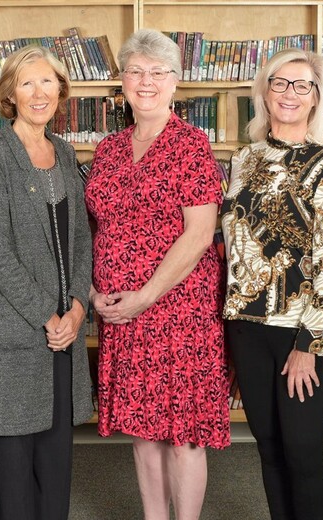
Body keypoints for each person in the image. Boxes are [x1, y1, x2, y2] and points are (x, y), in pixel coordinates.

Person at [86, 29, 229, 520]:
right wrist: (91, 290)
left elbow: (199, 233)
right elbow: (93, 228)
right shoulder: (108, 149)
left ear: (175, 83)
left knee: (183, 434)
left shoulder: (191, 144)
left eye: (158, 73)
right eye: (136, 71)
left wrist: (145, 295)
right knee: (141, 432)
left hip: (179, 312)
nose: (146, 81)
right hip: (122, 314)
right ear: (121, 80)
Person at [221, 48, 323, 520]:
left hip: (303, 331)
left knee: (301, 451)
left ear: (317, 98)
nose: (289, 93)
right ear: (265, 91)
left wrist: (309, 343)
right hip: (247, 325)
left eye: (302, 85)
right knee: (269, 448)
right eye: (280, 83)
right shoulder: (245, 158)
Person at [0, 45, 94, 520]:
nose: (39, 93)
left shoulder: (63, 151)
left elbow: (83, 239)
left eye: (48, 82)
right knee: (15, 469)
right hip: (14, 337)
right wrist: (49, 316)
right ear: (9, 95)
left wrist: (78, 308)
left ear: (61, 90)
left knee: (56, 462)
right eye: (26, 83)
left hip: (63, 335)